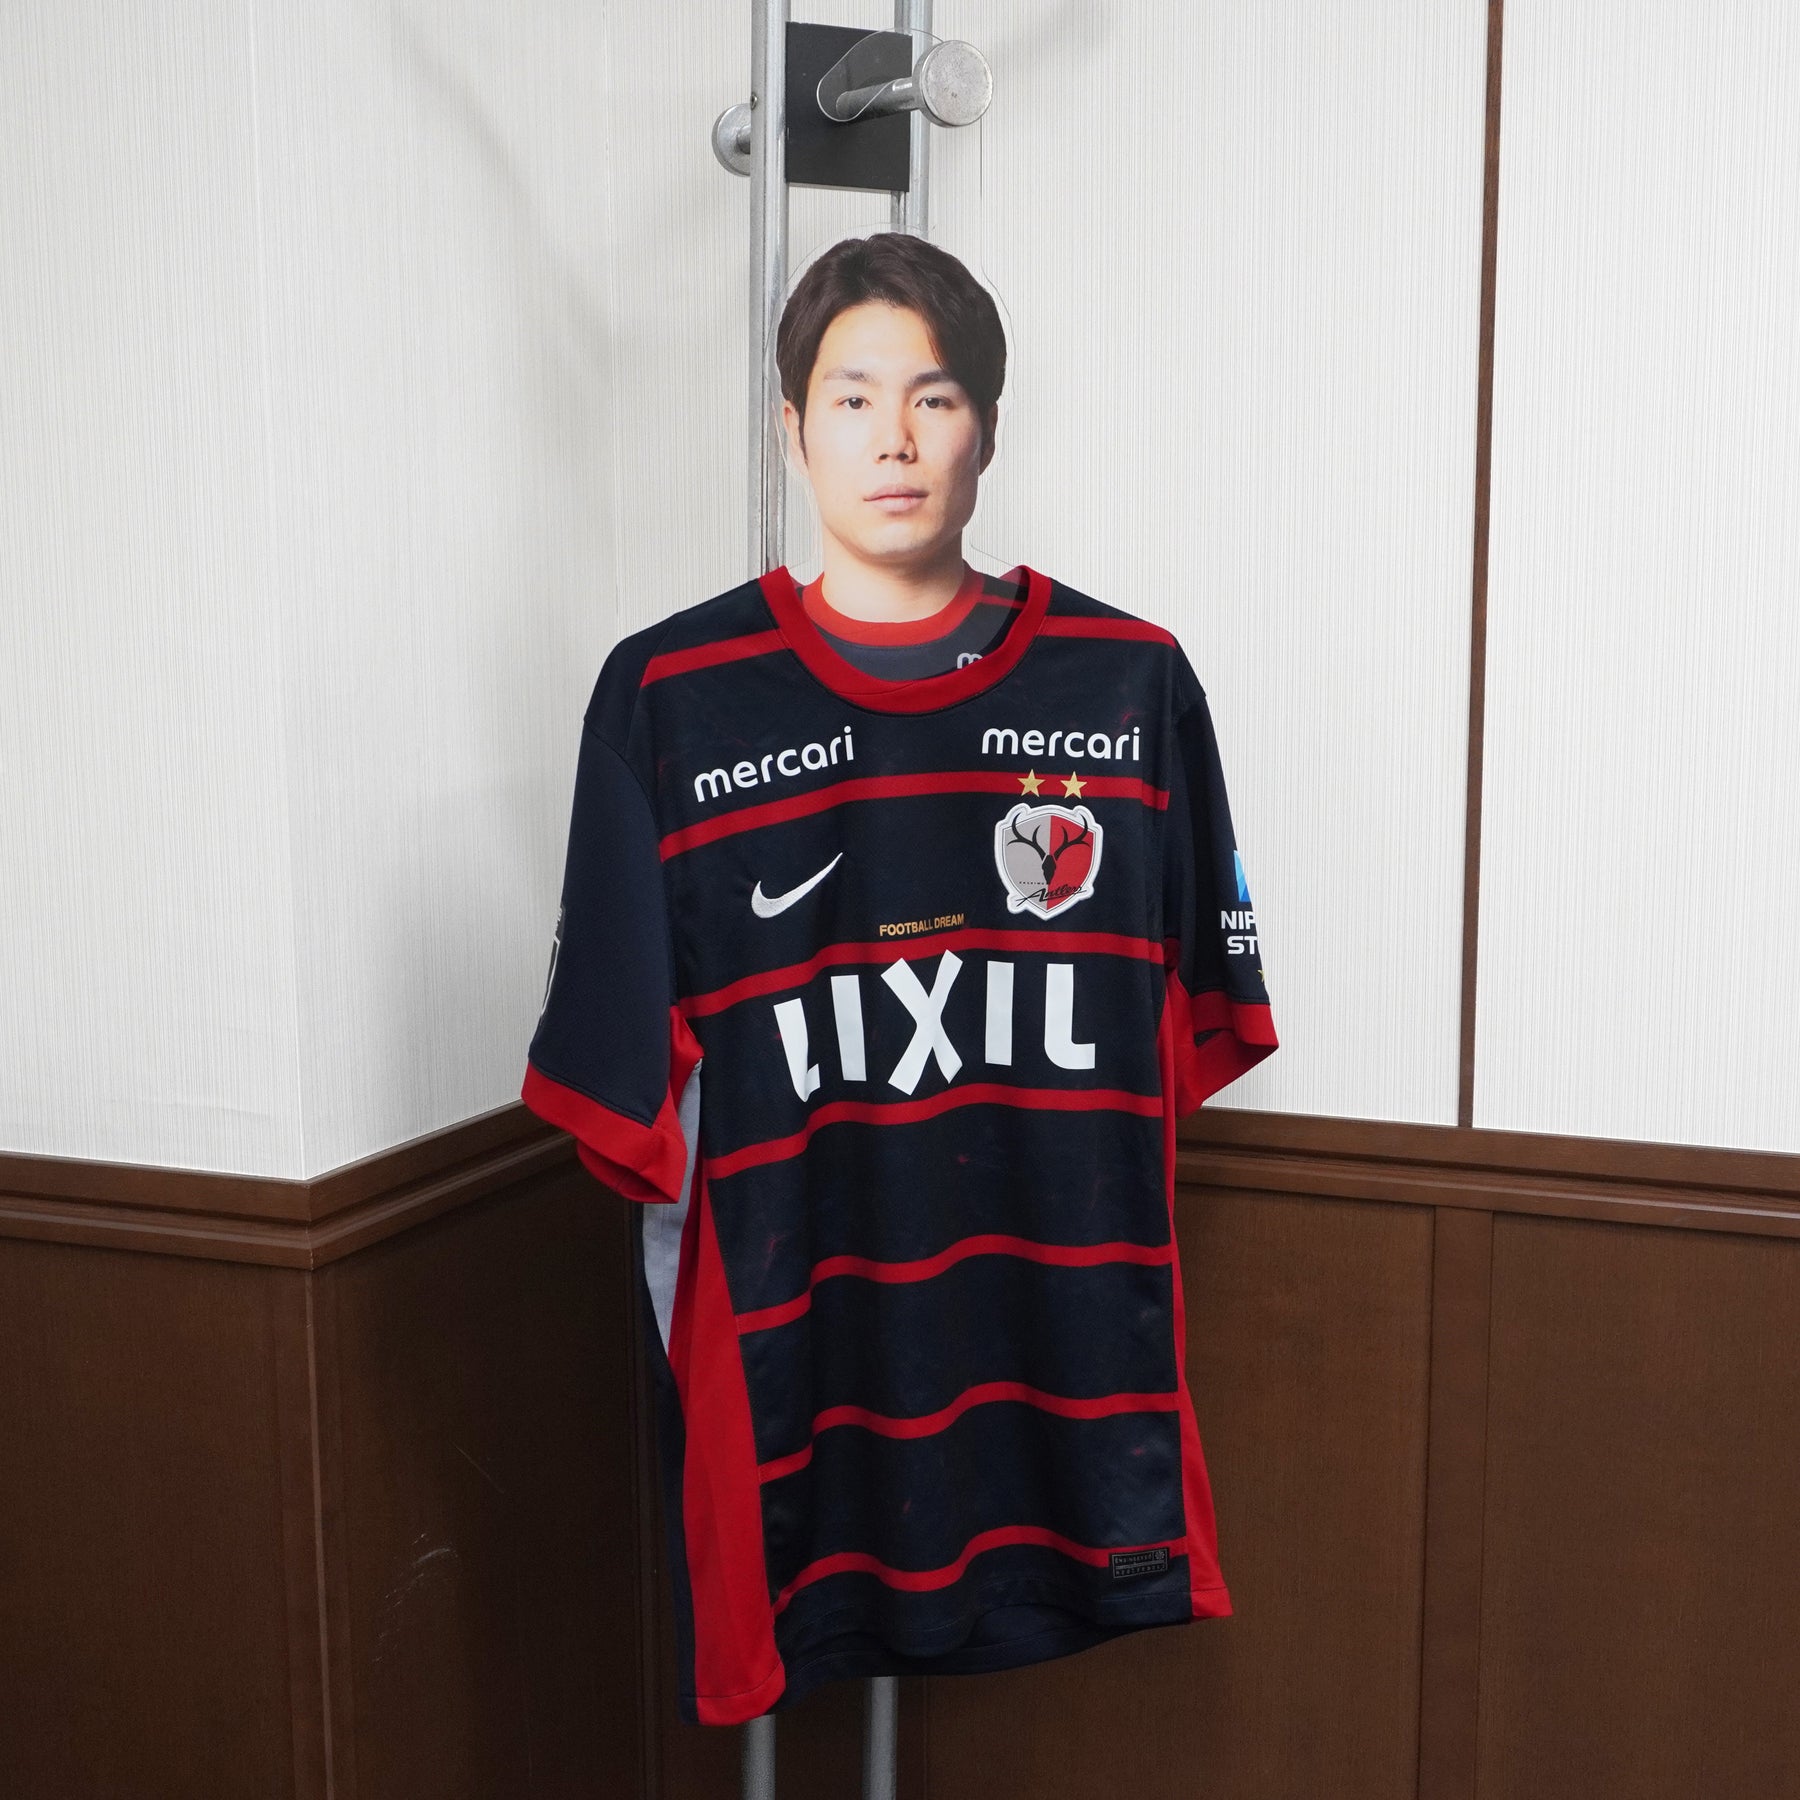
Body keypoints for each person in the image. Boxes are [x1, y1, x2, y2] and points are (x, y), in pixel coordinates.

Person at [521, 228, 1277, 1726]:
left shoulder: (1131, 688)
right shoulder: (670, 699)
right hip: (801, 1405)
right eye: (853, 398)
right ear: (791, 428)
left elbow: (1192, 1037)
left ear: (987, 427)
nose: (896, 439)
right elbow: (618, 1108)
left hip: (1065, 1412)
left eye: (935, 399)